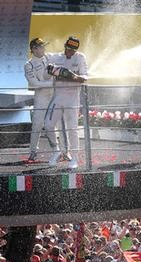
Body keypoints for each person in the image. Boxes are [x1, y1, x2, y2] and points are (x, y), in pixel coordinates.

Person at [45, 36, 87, 168]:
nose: (69, 52)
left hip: (72, 99)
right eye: (68, 48)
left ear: (76, 50)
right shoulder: (56, 57)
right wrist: (52, 70)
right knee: (48, 125)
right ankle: (56, 151)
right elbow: (46, 69)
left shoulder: (81, 58)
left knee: (72, 129)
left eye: (72, 50)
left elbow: (84, 78)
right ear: (65, 46)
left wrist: (70, 75)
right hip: (57, 97)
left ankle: (74, 158)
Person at [24, 38, 59, 164]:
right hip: (41, 96)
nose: (44, 49)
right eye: (41, 47)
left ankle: (60, 151)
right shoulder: (29, 64)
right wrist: (51, 83)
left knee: (54, 123)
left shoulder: (48, 57)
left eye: (44, 46)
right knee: (37, 124)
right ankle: (33, 151)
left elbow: (60, 58)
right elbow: (34, 83)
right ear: (34, 49)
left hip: (54, 94)